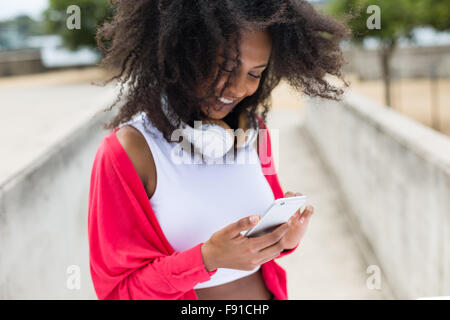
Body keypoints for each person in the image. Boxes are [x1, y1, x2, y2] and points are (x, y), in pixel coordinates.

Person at [88, 0, 349, 300]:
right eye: (226, 68)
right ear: (183, 51)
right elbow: (119, 292)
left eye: (255, 74)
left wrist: (283, 238)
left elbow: (264, 230)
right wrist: (206, 259)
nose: (238, 89)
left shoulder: (255, 130)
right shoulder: (129, 152)